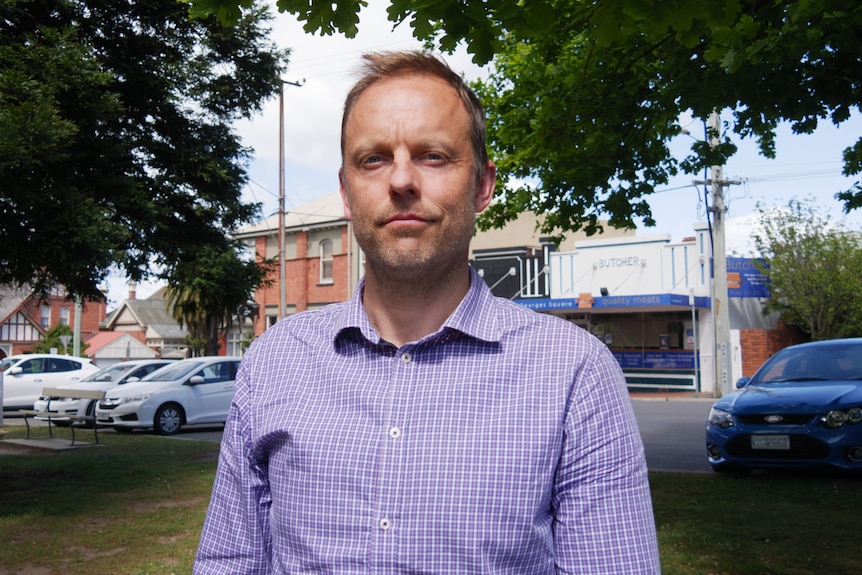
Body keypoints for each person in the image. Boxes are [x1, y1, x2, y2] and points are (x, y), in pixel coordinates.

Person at [194, 50, 660, 574]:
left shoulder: (575, 373)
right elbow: (229, 559)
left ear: (483, 185)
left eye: (433, 156)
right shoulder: (274, 361)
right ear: (347, 193)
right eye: (373, 159)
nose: (400, 181)